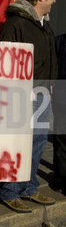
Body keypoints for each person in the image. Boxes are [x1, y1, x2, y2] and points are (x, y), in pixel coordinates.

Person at [0, 0, 57, 213]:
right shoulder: (16, 23)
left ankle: (29, 188)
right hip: (23, 95)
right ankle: (9, 191)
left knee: (38, 143)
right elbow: (6, 61)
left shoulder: (44, 24)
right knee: (18, 144)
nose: (54, 0)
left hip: (43, 93)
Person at [51, 33, 66, 195]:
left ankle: (60, 178)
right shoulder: (59, 41)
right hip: (61, 96)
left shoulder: (60, 41)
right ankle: (60, 177)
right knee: (61, 138)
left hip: (61, 96)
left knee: (61, 139)